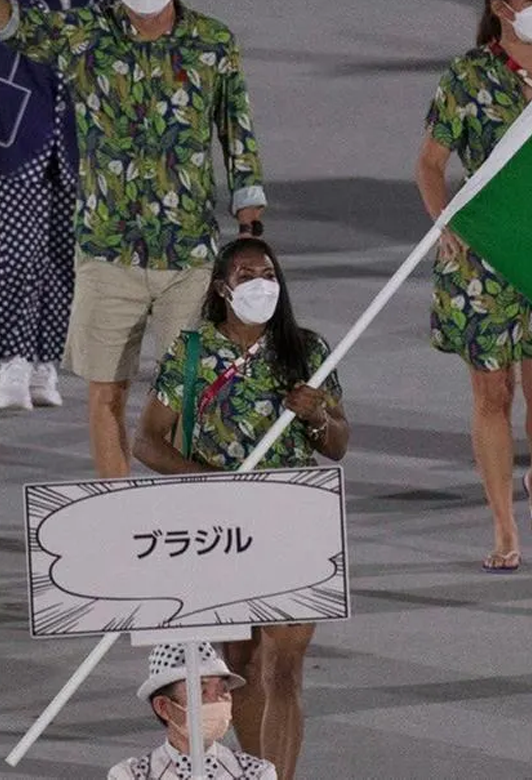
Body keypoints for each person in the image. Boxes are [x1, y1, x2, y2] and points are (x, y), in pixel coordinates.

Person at [0, 0, 287, 412]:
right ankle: (17, 365)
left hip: (183, 243)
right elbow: (17, 25)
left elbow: (235, 124)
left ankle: (46, 368)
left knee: (185, 389)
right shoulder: (64, 16)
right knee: (97, 385)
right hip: (78, 206)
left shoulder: (207, 38)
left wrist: (249, 209)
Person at [134, 237, 348, 780]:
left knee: (285, 667)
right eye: (248, 274)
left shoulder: (309, 349)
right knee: (242, 666)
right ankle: (254, 771)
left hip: (291, 520)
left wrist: (317, 413)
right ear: (223, 288)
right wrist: (212, 483)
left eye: (269, 273)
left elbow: (339, 444)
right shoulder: (191, 353)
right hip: (222, 524)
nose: (261, 284)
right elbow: (149, 442)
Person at [415, 0, 532, 573]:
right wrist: (444, 221)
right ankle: (504, 525)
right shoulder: (467, 77)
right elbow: (429, 165)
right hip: (481, 263)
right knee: (492, 396)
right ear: (500, 8)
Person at [109, 641, 277, 780]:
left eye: (223, 689)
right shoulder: (131, 775)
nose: (217, 700)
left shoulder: (256, 773)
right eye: (201, 691)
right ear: (163, 707)